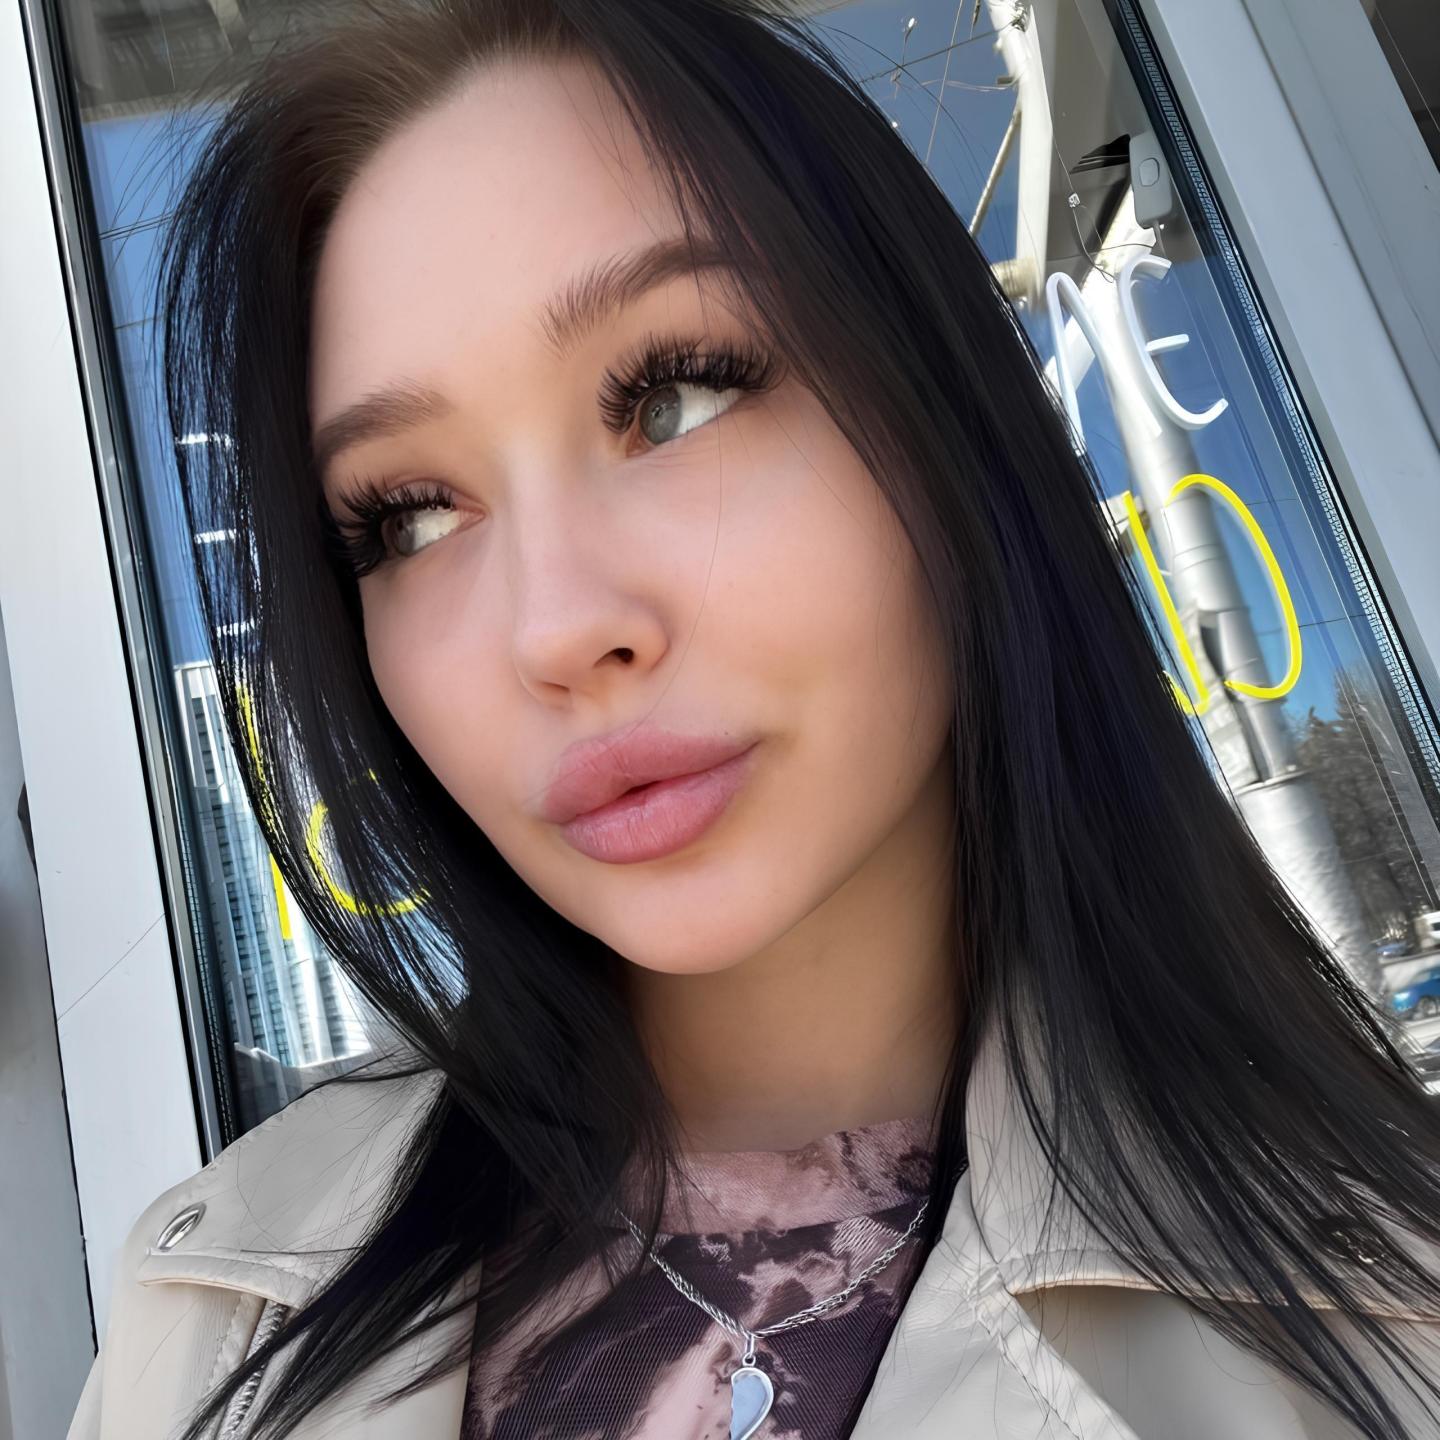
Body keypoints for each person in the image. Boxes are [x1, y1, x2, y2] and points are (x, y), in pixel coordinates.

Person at [65, 1, 1440, 1437]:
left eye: (673, 399)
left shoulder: (1384, 1337)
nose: (554, 629)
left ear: (941, 415)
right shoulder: (209, 1319)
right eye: (410, 515)